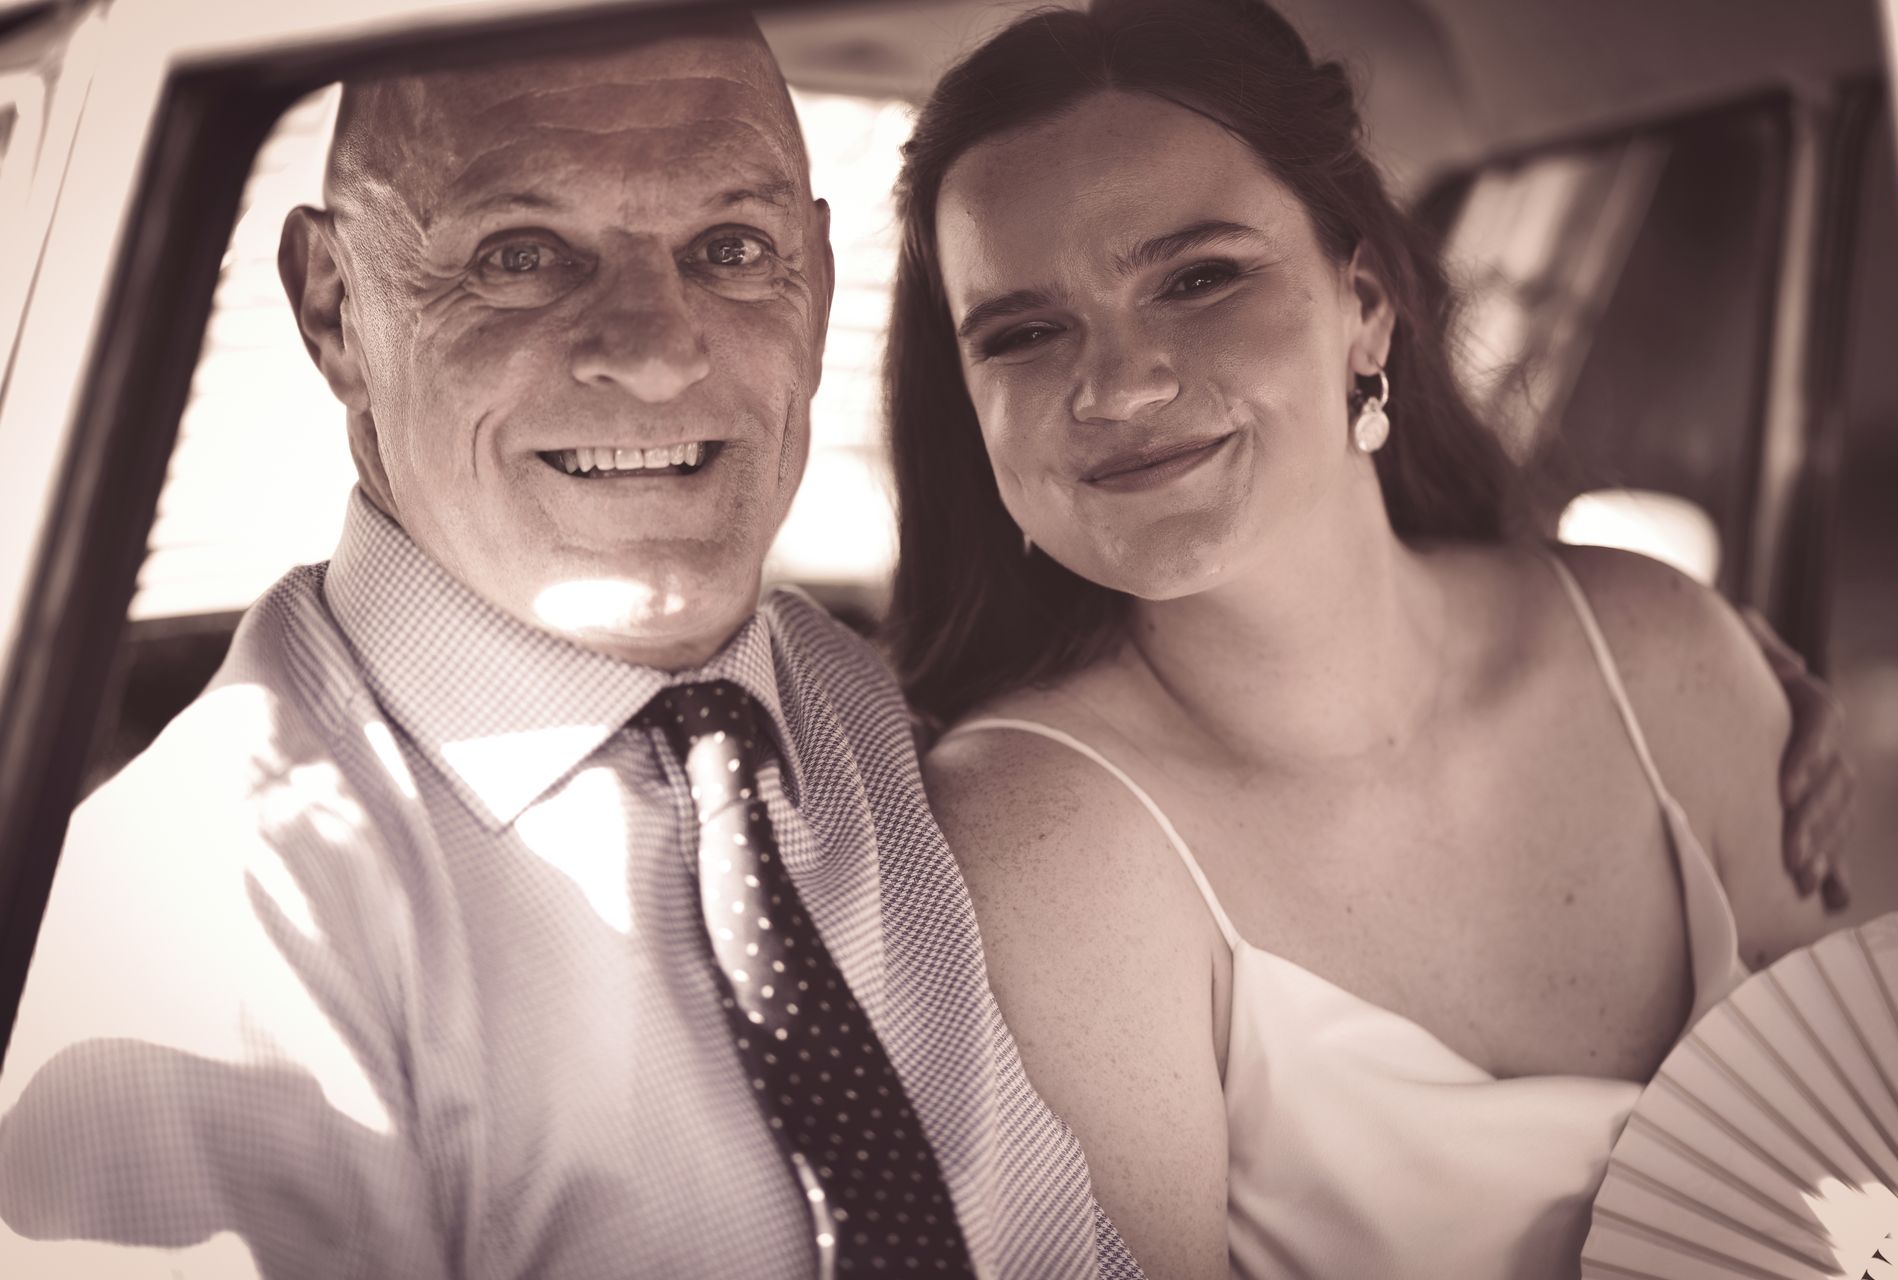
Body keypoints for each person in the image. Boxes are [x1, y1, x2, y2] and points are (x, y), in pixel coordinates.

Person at [0, 15, 1140, 1279]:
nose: (655, 352)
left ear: (814, 284)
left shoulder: (855, 693)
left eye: (730, 247)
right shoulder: (209, 910)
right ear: (333, 308)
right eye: (523, 254)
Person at [884, 1, 1851, 1277]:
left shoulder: (1665, 648)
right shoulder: (1044, 831)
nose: (1118, 386)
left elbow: (1870, 1137)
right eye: (1022, 331)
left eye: (1199, 276)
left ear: (1369, 309)